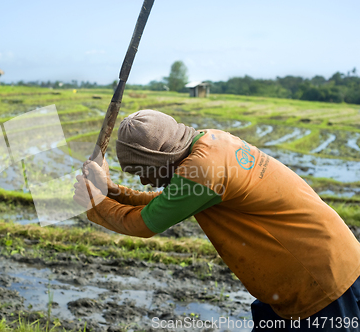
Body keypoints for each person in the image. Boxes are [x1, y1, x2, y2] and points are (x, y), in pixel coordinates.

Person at [73, 110, 360, 331]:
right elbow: (168, 202)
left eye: (143, 170)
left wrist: (95, 203)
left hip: (322, 282)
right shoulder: (210, 142)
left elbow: (144, 224)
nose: (146, 181)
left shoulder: (202, 170)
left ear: (161, 157)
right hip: (312, 269)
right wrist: (112, 192)